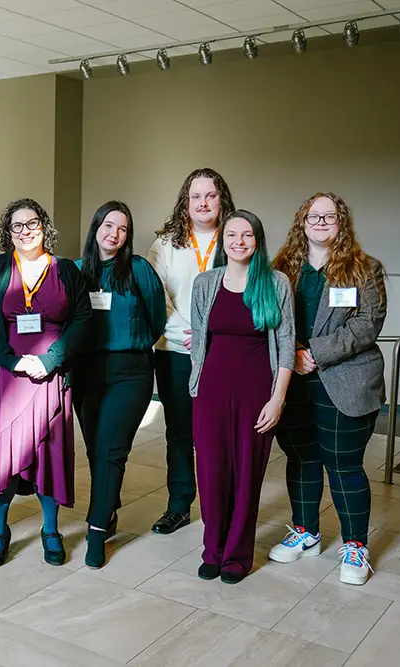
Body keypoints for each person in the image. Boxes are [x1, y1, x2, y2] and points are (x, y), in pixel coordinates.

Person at [269, 193, 387, 586]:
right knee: (300, 459)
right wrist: (292, 357)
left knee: (344, 465)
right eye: (312, 215)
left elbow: (368, 323)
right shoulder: (282, 267)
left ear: (341, 222)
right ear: (302, 222)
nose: (320, 222)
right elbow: (269, 317)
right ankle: (306, 532)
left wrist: (315, 354)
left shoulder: (364, 269)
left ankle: (355, 545)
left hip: (346, 381)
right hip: (293, 381)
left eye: (329, 216)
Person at [0, 198, 91, 567]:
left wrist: (50, 360)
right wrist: (12, 359)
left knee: (49, 454)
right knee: (2, 456)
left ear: (44, 226)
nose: (25, 230)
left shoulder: (66, 269)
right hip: (5, 376)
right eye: (17, 225)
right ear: (8, 232)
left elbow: (83, 319)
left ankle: (51, 530)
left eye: (32, 223)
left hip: (50, 377)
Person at [189, 210, 294, 584]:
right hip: (210, 392)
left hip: (256, 394)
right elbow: (199, 341)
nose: (239, 241)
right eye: (231, 234)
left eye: (247, 235)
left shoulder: (275, 283)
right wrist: (195, 387)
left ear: (257, 240)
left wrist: (277, 398)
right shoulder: (205, 283)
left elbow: (285, 344)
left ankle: (236, 554)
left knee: (247, 474)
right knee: (212, 473)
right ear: (223, 240)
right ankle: (212, 550)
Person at [74, 201, 166, 568]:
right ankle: (108, 508)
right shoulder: (77, 271)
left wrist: (133, 343)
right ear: (96, 227)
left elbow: (157, 318)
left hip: (130, 371)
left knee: (112, 450)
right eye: (108, 225)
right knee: (96, 450)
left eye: (122, 229)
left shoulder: (139, 269)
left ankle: (97, 531)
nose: (114, 234)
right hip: (86, 372)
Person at [147, 168, 238, 535]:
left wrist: (208, 335)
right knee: (180, 434)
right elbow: (158, 297)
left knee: (218, 435)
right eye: (195, 196)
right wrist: (190, 332)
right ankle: (179, 505)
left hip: (221, 352)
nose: (203, 202)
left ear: (222, 200)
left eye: (210, 195)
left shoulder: (235, 239)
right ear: (186, 203)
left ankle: (222, 506)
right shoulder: (165, 244)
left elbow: (241, 296)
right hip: (175, 351)